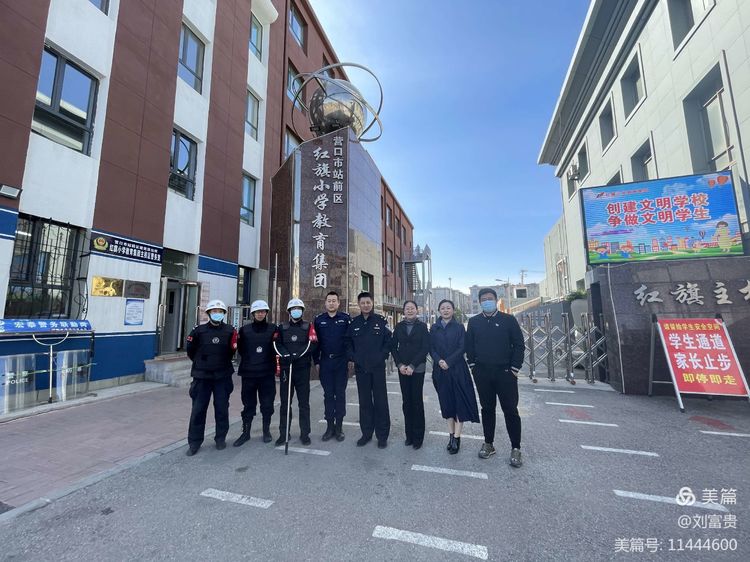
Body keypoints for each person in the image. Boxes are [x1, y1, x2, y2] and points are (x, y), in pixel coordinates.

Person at [465, 287, 525, 467]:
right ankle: (488, 443)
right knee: (487, 409)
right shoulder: (474, 322)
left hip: (505, 374)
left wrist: (514, 368)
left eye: (490, 298)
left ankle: (516, 448)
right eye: (483, 299)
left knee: (510, 410)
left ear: (496, 300)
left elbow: (519, 345)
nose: (487, 302)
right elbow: (469, 346)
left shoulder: (508, 320)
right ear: (480, 302)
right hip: (482, 373)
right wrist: (473, 367)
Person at [185, 299, 237, 456]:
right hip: (202, 376)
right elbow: (191, 351)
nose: (217, 314)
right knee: (198, 410)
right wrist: (202, 362)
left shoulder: (230, 330)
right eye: (214, 311)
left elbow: (232, 351)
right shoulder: (198, 331)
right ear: (208, 313)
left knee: (222, 409)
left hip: (222, 375)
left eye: (220, 312)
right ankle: (194, 442)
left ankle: (220, 438)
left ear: (224, 314)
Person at [429, 299, 479, 454]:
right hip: (440, 370)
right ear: (439, 310)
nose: (445, 310)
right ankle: (451, 435)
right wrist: (439, 361)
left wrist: (449, 362)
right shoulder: (434, 328)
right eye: (443, 308)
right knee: (447, 403)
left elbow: (462, 347)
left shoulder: (459, 327)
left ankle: (457, 437)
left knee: (459, 403)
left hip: (458, 370)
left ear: (453, 310)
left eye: (448, 308)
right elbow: (431, 347)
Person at [345, 291, 392, 448]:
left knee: (381, 401)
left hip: (377, 368)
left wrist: (382, 356)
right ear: (359, 305)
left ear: (372, 303)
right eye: (363, 303)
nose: (366, 305)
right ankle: (366, 434)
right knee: (364, 402)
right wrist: (354, 357)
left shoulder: (381, 321)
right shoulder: (354, 323)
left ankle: (382, 436)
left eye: (368, 302)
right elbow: (348, 343)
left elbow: (388, 342)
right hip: (361, 368)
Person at [273, 298, 317, 446]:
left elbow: (312, 344)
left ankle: (305, 434)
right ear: (289, 312)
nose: (296, 311)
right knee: (285, 403)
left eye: (298, 309)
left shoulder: (308, 326)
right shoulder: (282, 327)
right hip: (287, 369)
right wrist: (285, 354)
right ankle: (284, 433)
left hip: (302, 369)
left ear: (302, 311)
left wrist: (298, 354)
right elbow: (276, 344)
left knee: (304, 403)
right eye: (293, 309)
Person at [234, 300, 276, 446]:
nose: (260, 314)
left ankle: (266, 431)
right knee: (248, 405)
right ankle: (246, 433)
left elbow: (276, 348)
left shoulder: (273, 329)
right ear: (253, 313)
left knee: (267, 404)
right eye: (257, 312)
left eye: (263, 311)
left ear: (266, 313)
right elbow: (241, 349)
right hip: (249, 373)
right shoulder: (244, 330)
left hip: (267, 373)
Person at [390, 300, 430, 449]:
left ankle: (418, 437)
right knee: (406, 402)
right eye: (407, 308)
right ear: (404, 311)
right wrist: (399, 364)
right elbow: (393, 347)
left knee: (417, 402)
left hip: (417, 368)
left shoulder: (422, 327)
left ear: (416, 310)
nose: (410, 310)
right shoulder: (399, 326)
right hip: (403, 369)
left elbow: (425, 347)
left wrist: (413, 365)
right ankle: (409, 435)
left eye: (412, 308)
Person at [313, 291, 351, 442]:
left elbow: (349, 341)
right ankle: (329, 427)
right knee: (328, 395)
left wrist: (349, 359)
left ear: (338, 303)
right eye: (329, 300)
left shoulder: (345, 319)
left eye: (334, 300)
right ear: (325, 303)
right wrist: (316, 362)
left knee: (340, 394)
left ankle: (339, 427)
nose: (331, 303)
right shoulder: (318, 320)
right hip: (326, 362)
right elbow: (315, 343)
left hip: (341, 362)